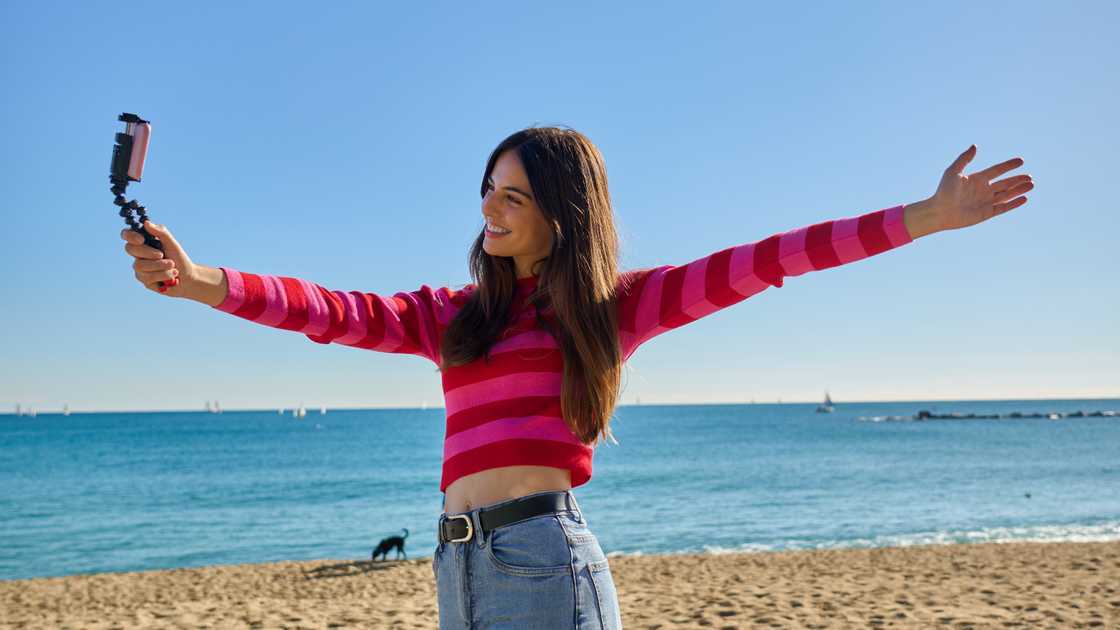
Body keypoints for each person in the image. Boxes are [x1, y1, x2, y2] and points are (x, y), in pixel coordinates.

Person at [119, 128, 1032, 628]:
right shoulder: (453, 315)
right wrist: (198, 281)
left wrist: (923, 217)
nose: (489, 208)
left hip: (544, 563)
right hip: (458, 565)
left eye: (512, 195)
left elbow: (772, 260)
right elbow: (331, 310)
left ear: (562, 213)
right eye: (486, 189)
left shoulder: (613, 309)